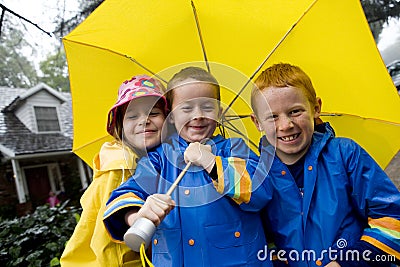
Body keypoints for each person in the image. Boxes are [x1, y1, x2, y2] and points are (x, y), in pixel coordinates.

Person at [103, 66, 272, 266]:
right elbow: (124, 195)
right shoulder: (160, 159)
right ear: (171, 116)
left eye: (207, 107)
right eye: (186, 108)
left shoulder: (235, 149)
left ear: (220, 112)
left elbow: (260, 191)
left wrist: (212, 163)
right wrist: (137, 215)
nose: (198, 114)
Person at [250, 63, 400, 266]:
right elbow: (266, 240)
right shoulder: (258, 176)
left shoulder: (345, 154)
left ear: (316, 108)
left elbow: (392, 219)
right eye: (272, 116)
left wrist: (346, 263)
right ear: (257, 122)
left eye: (295, 111)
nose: (285, 125)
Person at [60, 75, 168, 267]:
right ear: (120, 127)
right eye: (133, 116)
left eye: (154, 113)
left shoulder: (158, 160)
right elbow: (112, 248)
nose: (144, 121)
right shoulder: (121, 167)